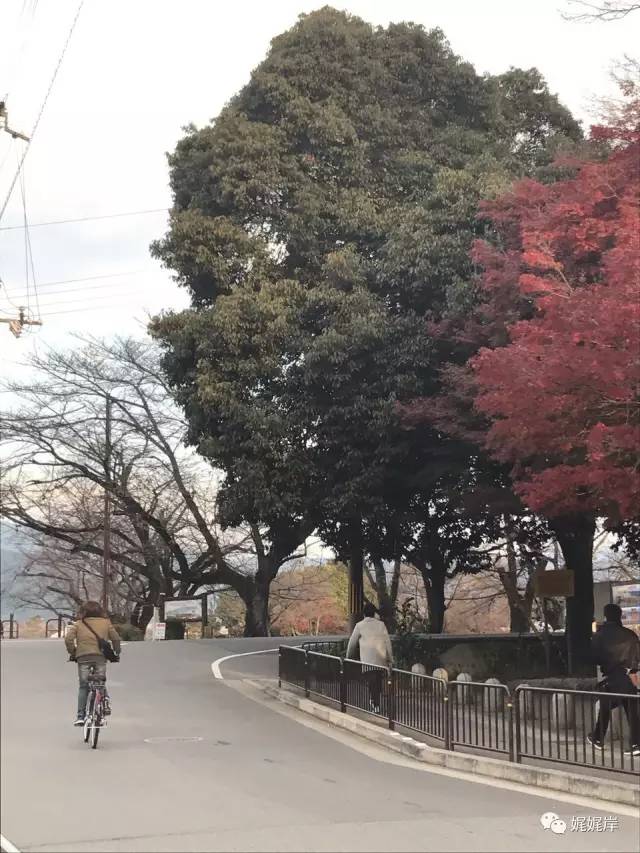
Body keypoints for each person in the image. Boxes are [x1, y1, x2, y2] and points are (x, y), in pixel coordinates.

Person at [588, 603, 640, 757]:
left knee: (605, 705)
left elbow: (594, 658)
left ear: (605, 616)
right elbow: (636, 658)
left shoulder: (600, 635)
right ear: (620, 615)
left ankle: (597, 737)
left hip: (612, 676)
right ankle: (636, 743)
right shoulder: (630, 635)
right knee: (632, 711)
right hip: (629, 676)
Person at [65, 601, 121, 726]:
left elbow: (68, 639)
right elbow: (116, 638)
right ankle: (104, 703)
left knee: (84, 686)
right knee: (100, 682)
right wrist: (117, 652)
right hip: (100, 657)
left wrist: (73, 652)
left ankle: (80, 716)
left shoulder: (78, 624)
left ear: (83, 611)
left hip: (83, 657)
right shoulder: (106, 623)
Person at [346, 602, 393, 714]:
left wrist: (348, 657)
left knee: (371, 682)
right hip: (381, 659)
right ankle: (375, 700)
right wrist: (390, 659)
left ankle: (375, 703)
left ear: (364, 614)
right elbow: (388, 643)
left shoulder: (359, 625)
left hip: (367, 661)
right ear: (374, 613)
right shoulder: (381, 625)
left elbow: (352, 643)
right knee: (377, 680)